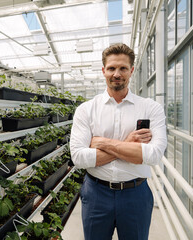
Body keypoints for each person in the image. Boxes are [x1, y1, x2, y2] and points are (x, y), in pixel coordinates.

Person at [70, 43, 167, 240]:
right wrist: (130, 144)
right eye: (112, 68)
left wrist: (102, 143)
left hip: (136, 194)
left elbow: (154, 155)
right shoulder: (86, 110)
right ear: (103, 70)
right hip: (96, 193)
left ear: (131, 70)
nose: (117, 73)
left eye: (123, 68)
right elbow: (79, 157)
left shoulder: (151, 108)